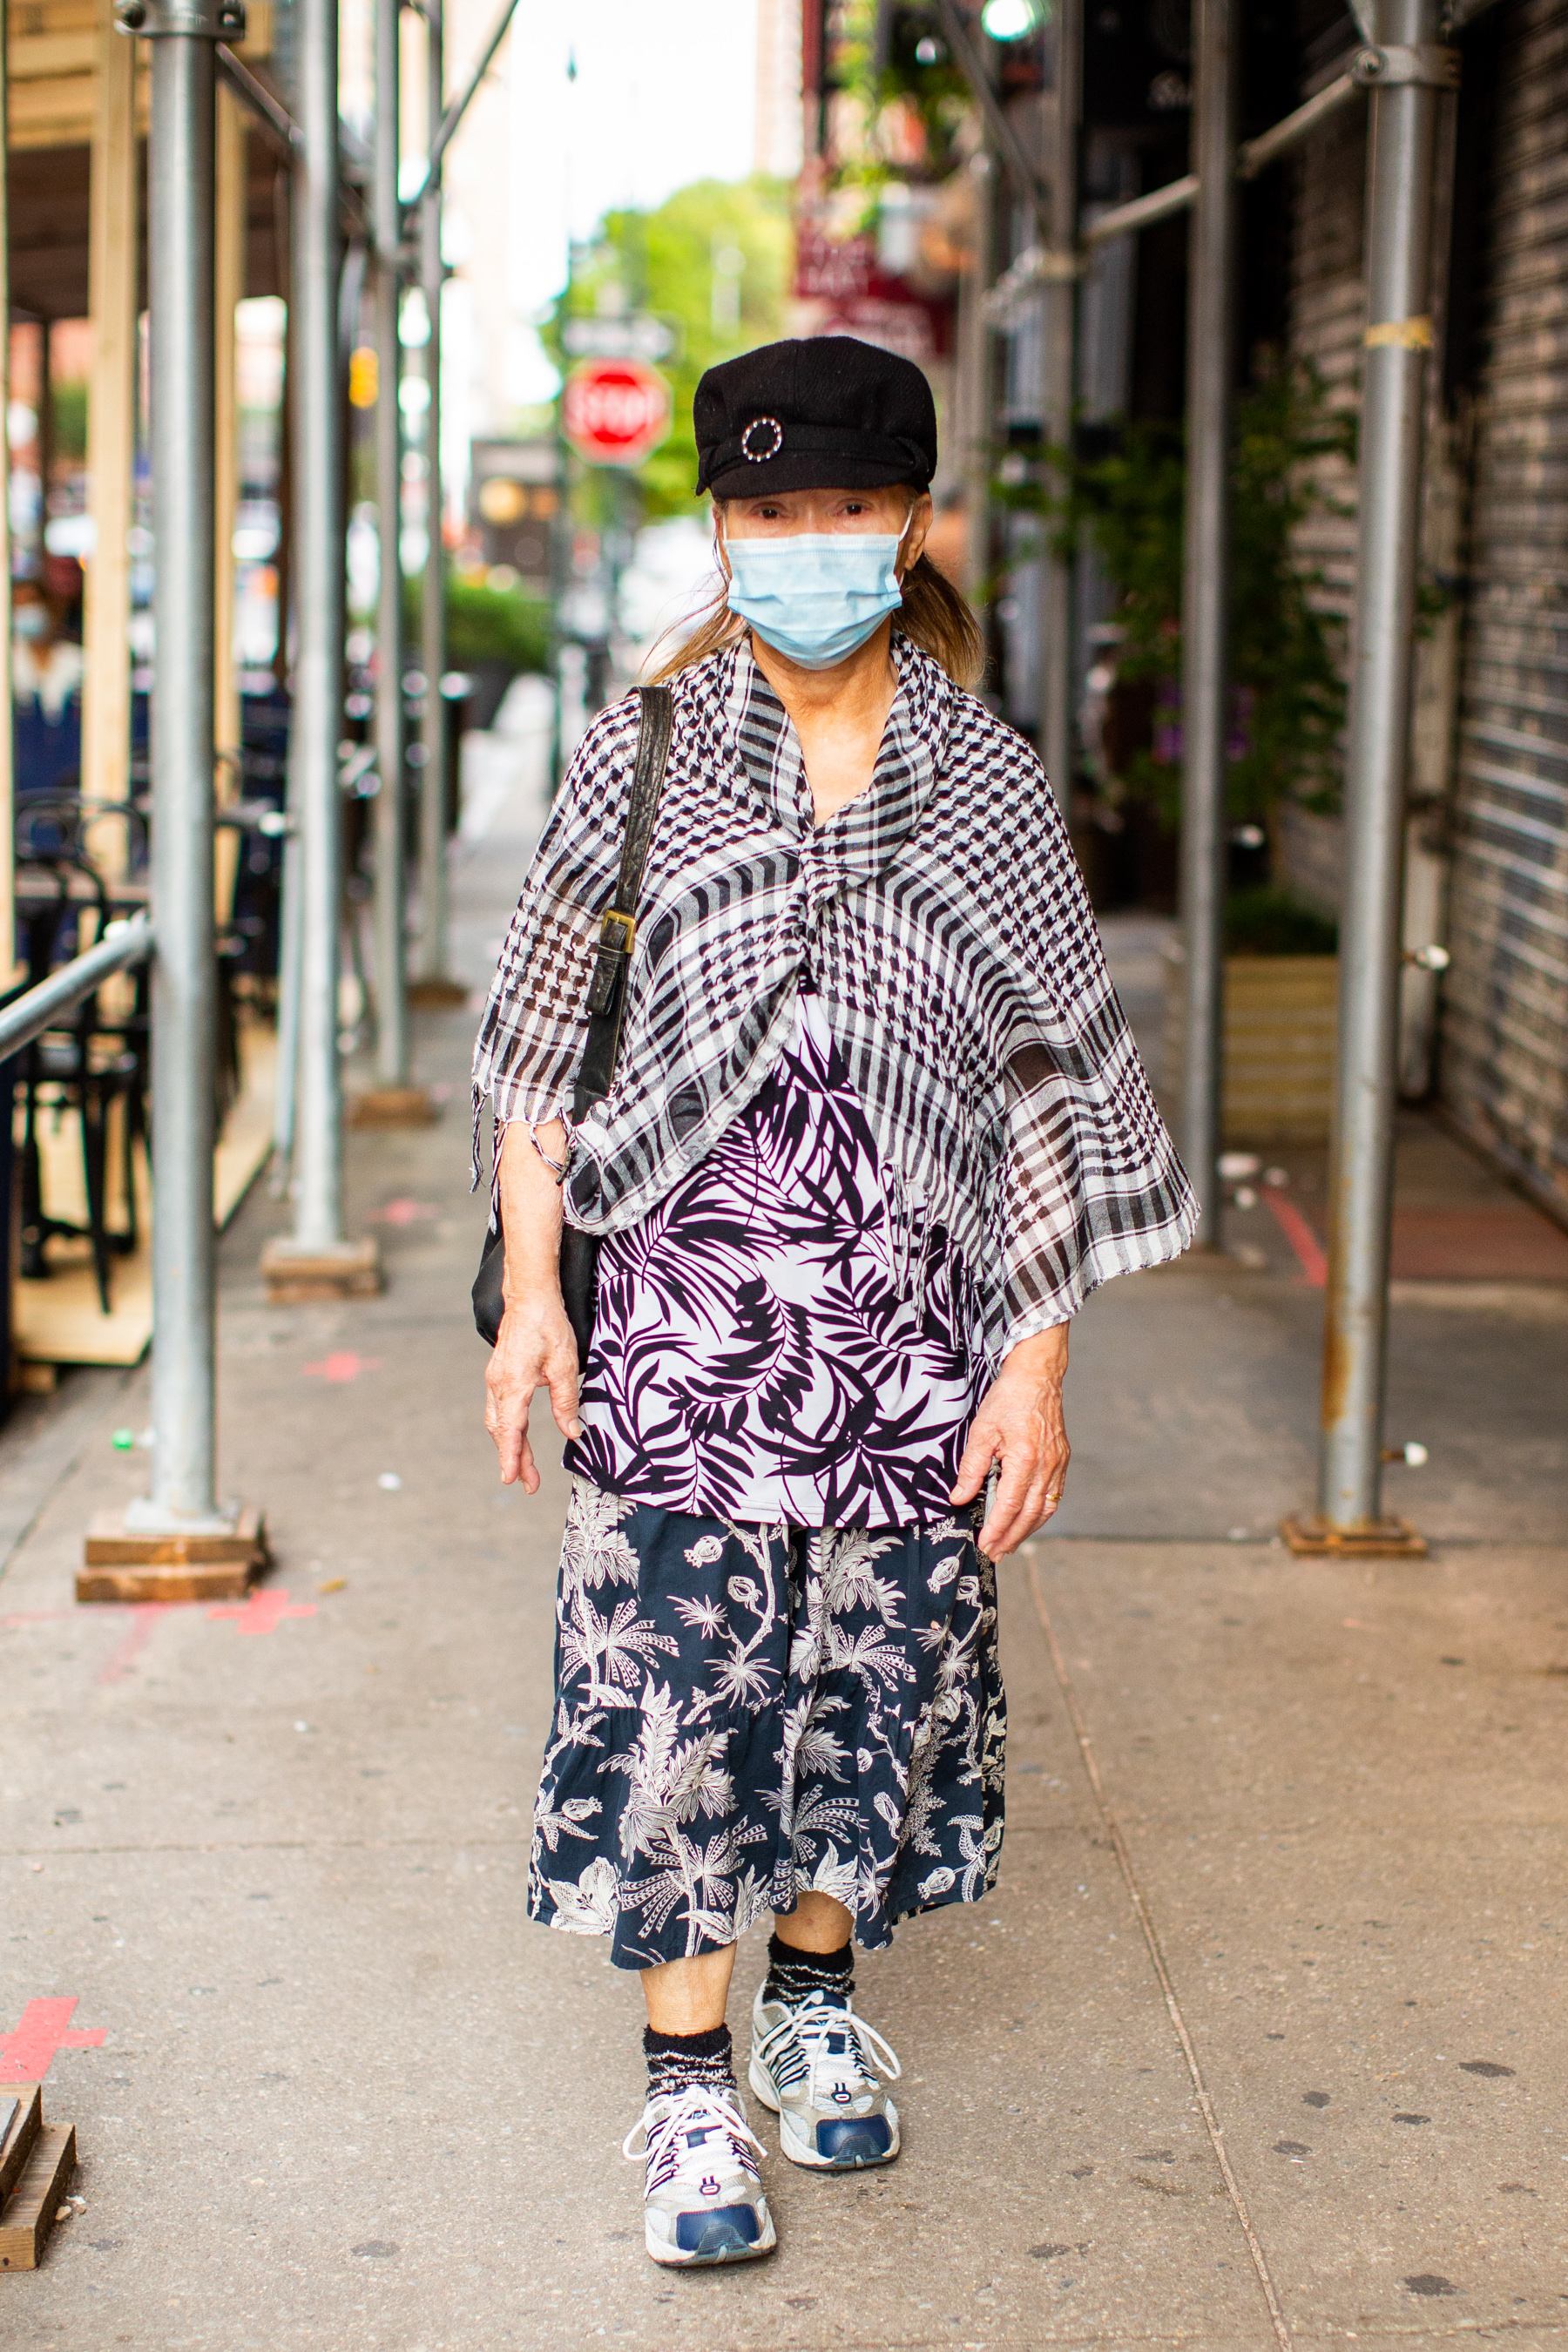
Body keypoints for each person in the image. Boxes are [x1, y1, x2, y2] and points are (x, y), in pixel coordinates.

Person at [474, 337, 1195, 2268]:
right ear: (723, 531)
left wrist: (1034, 1368)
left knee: (871, 1690)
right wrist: (533, 1299)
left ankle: (811, 1999)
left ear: (915, 521)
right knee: (681, 1701)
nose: (812, 543)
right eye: (774, 513)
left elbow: (1052, 1087)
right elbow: (539, 1051)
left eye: (850, 509)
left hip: (909, 1351)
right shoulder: (639, 760)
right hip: (684, 1348)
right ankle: (688, 2100)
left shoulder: (991, 784)